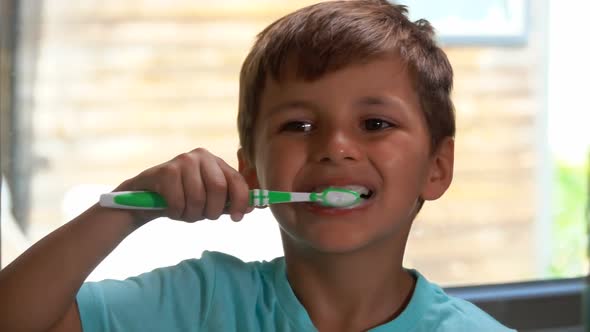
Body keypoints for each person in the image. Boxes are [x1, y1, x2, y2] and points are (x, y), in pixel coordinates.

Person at [0, 1, 516, 331]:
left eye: (375, 125)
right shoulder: (197, 302)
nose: (336, 148)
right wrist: (126, 209)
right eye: (299, 126)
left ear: (437, 167)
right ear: (251, 171)